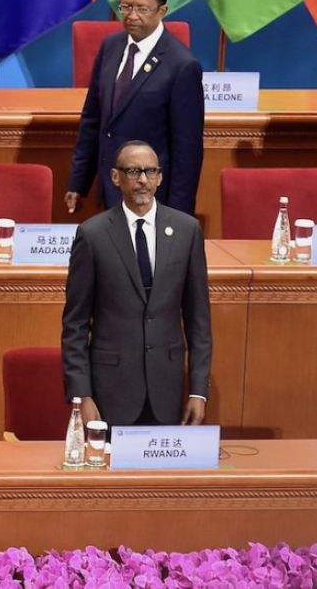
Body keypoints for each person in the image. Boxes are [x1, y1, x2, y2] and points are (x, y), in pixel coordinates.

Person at [61, 141, 212, 427]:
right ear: (116, 177)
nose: (143, 180)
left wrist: (197, 391)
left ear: (160, 177)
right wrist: (81, 395)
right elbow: (75, 325)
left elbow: (199, 320)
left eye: (149, 171)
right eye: (133, 171)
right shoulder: (92, 235)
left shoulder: (187, 230)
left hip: (166, 391)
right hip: (109, 392)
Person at [66, 0, 204, 216]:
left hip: (151, 198)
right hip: (111, 189)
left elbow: (187, 151)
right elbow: (93, 119)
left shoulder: (182, 65)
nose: (132, 16)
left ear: (162, 11)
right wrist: (78, 182)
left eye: (142, 9)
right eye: (126, 7)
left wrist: (177, 215)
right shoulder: (111, 46)